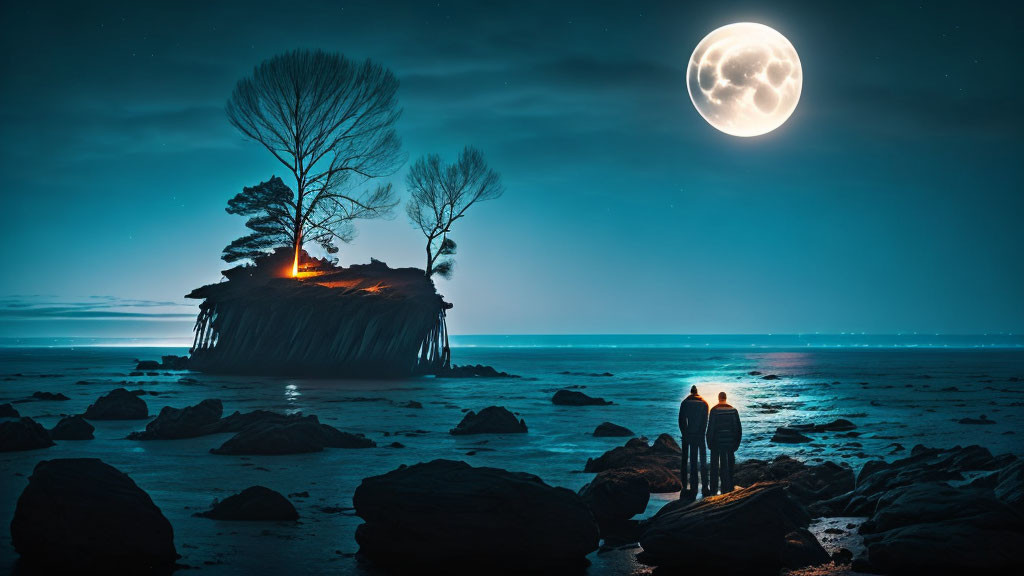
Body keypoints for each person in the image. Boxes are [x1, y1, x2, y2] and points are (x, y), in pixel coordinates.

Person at [706, 391, 742, 494]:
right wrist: (736, 444)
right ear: (725, 398)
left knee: (714, 467)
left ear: (719, 398)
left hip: (716, 443)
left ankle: (713, 489)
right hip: (730, 443)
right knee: (729, 467)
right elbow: (738, 429)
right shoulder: (734, 410)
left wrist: (709, 442)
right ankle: (728, 488)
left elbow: (710, 428)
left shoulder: (714, 410)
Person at [677, 385, 709, 497]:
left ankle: (686, 486)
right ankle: (705, 486)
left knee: (686, 461)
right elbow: (705, 421)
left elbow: (681, 420)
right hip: (700, 435)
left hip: (688, 434)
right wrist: (701, 433)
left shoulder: (685, 403)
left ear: (691, 392)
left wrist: (684, 433)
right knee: (702, 460)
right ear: (697, 392)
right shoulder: (704, 403)